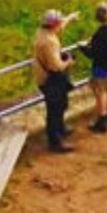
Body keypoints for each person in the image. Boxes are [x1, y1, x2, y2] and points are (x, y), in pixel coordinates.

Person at [33, 8, 78, 153]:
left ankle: (61, 129)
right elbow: (56, 66)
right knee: (55, 109)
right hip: (51, 79)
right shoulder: (50, 42)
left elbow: (60, 25)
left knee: (61, 105)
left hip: (45, 77)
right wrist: (69, 62)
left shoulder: (42, 32)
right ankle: (55, 141)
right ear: (54, 25)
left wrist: (70, 17)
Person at [78, 2, 107, 132]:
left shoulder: (98, 35)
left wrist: (83, 47)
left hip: (100, 68)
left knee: (100, 93)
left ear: (97, 17)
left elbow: (92, 54)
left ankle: (101, 121)